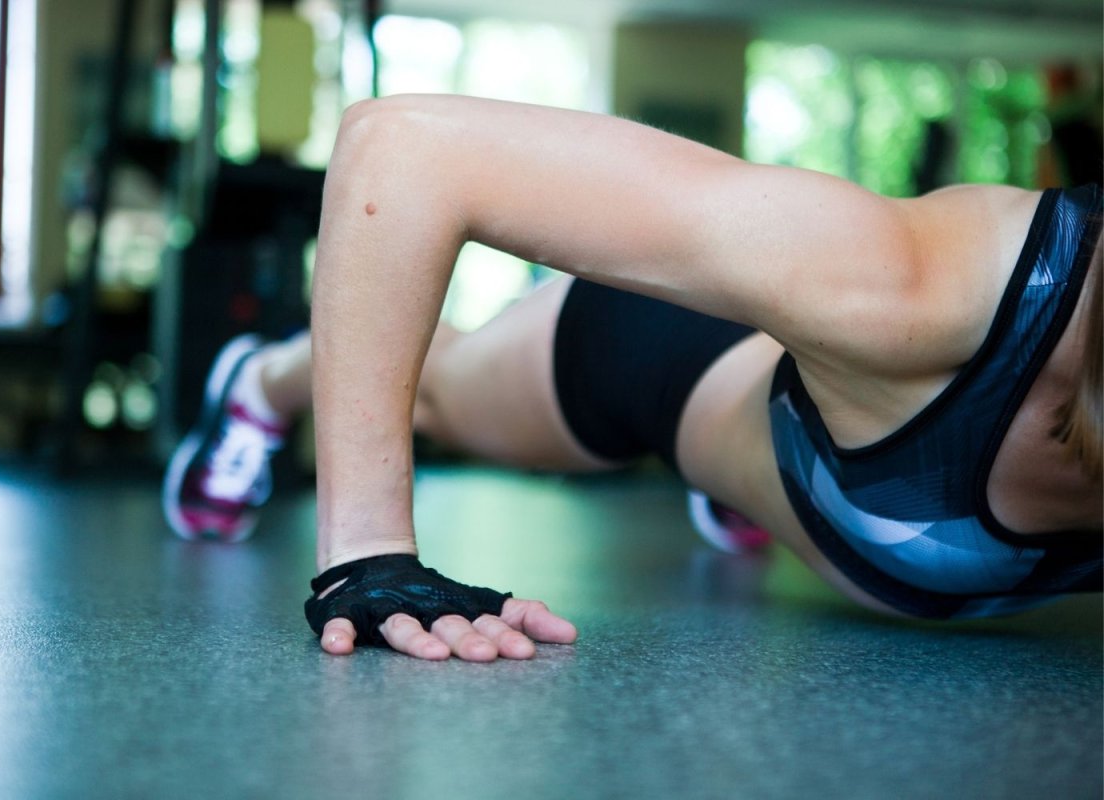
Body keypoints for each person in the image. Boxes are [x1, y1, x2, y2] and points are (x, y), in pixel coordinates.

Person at [164, 93, 1102, 662]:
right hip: (664, 355)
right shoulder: (916, 290)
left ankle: (776, 450)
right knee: (441, 392)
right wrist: (367, 560)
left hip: (813, 387)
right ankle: (265, 383)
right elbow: (402, 147)